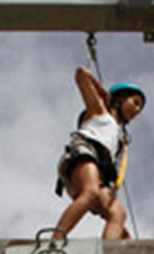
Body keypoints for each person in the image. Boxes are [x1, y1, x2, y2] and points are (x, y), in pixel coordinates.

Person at [53, 66, 146, 240]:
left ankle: (109, 253)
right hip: (83, 154)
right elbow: (81, 73)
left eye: (139, 107)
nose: (137, 110)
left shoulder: (119, 138)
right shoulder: (99, 111)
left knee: (118, 214)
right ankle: (55, 240)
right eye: (135, 102)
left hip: (98, 171)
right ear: (119, 100)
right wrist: (102, 92)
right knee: (90, 193)